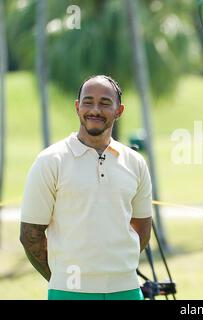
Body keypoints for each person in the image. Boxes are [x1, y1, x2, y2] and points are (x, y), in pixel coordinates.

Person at [20, 75, 153, 300]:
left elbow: (142, 229)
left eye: (104, 103)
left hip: (127, 290)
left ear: (119, 110)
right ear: (77, 107)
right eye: (88, 101)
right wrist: (64, 278)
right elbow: (30, 235)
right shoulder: (51, 160)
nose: (95, 110)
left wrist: (114, 269)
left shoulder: (135, 162)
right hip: (69, 292)